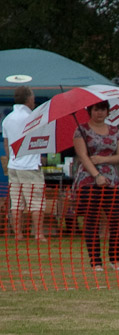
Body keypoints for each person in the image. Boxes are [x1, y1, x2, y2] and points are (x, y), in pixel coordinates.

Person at [73, 100, 119, 271]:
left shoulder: (114, 130)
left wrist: (104, 160)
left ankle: (115, 259)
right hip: (88, 180)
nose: (100, 113)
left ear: (108, 112)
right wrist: (96, 176)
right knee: (91, 221)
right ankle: (95, 261)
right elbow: (82, 155)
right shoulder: (81, 130)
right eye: (96, 109)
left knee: (118, 221)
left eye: (103, 109)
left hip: (112, 180)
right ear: (90, 111)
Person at [2, 85, 46, 241]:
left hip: (14, 165)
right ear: (29, 99)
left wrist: (11, 159)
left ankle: (18, 234)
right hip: (30, 166)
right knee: (36, 202)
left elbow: (6, 144)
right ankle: (39, 234)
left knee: (16, 203)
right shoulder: (33, 117)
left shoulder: (7, 119)